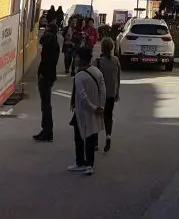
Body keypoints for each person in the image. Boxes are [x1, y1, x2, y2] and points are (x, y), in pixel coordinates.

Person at [69, 46, 106, 175]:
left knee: (79, 136)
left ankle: (80, 162)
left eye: (77, 57)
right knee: (91, 135)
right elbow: (103, 90)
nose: (75, 59)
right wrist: (100, 106)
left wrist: (93, 107)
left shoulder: (79, 76)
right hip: (96, 110)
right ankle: (89, 164)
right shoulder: (97, 71)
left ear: (82, 59)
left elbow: (82, 96)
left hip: (83, 111)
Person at [33, 22, 61, 142]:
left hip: (46, 75)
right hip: (48, 75)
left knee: (46, 105)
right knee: (45, 104)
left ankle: (47, 130)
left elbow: (48, 61)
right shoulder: (53, 41)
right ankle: (46, 129)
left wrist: (42, 75)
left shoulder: (50, 42)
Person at [95, 37, 121, 152]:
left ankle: (95, 142)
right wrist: (117, 92)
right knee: (108, 116)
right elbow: (118, 78)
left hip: (100, 95)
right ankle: (108, 136)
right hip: (111, 93)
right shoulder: (116, 60)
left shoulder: (98, 62)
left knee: (96, 117)